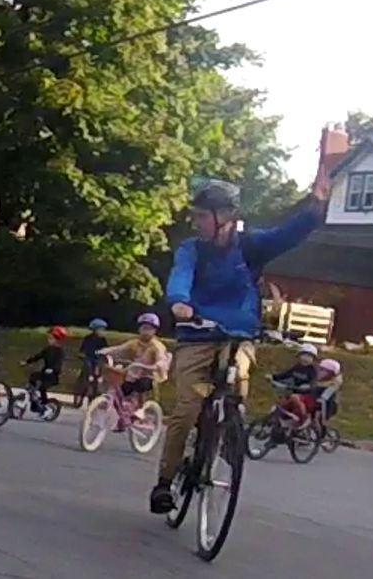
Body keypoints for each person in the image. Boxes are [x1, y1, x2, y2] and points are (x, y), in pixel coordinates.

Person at [150, 176, 326, 515]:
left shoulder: (251, 246)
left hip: (239, 336)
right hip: (197, 334)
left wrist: (314, 207)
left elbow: (286, 236)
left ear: (226, 215)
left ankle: (225, 430)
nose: (197, 222)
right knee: (187, 408)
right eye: (197, 215)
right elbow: (181, 275)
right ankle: (164, 481)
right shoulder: (192, 249)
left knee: (237, 388)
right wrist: (179, 302)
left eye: (203, 215)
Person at [98, 313, 169, 406]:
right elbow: (120, 349)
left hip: (150, 376)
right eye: (143, 328)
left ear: (154, 331)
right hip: (134, 374)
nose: (145, 331)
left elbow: (161, 360)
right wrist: (103, 352)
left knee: (141, 385)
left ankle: (141, 410)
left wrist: (157, 365)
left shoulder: (157, 346)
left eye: (149, 329)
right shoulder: (135, 343)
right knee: (122, 389)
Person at [268, 344, 322, 428]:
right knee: (281, 403)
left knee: (294, 397)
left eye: (309, 356)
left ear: (313, 359)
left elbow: (313, 383)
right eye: (303, 355)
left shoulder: (312, 371)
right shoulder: (297, 367)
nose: (305, 358)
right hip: (294, 392)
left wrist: (308, 386)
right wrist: (273, 377)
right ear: (299, 356)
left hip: (307, 396)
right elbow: (285, 374)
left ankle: (304, 419)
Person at [23, 326, 66, 412]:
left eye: (51, 338)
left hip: (52, 376)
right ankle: (34, 402)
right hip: (44, 373)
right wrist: (27, 362)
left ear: (57, 340)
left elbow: (59, 363)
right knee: (33, 377)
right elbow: (38, 356)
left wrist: (53, 369)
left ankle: (44, 405)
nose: (49, 340)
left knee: (42, 387)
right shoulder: (47, 349)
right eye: (48, 338)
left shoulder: (60, 351)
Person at [76, 318, 111, 401]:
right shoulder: (88, 338)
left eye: (103, 330)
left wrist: (105, 354)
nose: (103, 331)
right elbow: (82, 350)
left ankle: (96, 387)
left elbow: (106, 350)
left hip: (97, 359)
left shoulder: (103, 340)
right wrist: (82, 354)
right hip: (89, 358)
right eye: (101, 329)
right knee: (88, 366)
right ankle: (87, 382)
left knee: (100, 368)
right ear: (95, 330)